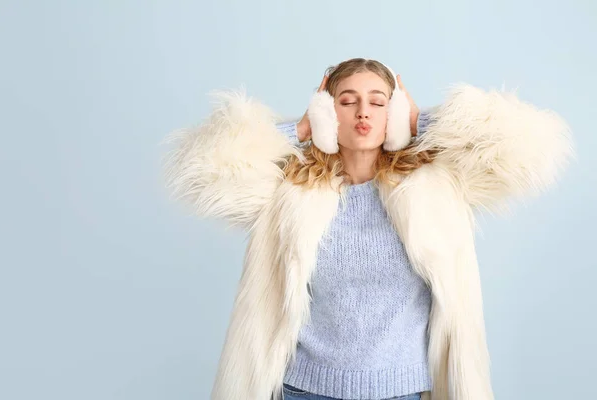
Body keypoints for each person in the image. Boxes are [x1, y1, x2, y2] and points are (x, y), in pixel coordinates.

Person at [161, 58, 573, 400]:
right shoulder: (291, 192)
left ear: (391, 115)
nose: (363, 112)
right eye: (347, 101)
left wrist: (420, 121)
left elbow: (526, 152)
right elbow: (207, 171)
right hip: (306, 390)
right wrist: (300, 130)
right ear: (327, 111)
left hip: (403, 391)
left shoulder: (433, 188)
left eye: (378, 103)